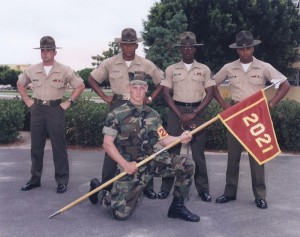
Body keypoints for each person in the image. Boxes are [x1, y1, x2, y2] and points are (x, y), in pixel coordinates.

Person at [88, 72, 200, 222]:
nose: (138, 91)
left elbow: (165, 139)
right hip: (132, 167)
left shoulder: (153, 114)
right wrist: (125, 164)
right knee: (120, 214)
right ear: (129, 88)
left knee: (187, 165)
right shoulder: (116, 114)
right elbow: (107, 144)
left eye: (142, 87)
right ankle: (99, 192)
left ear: (146, 88)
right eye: (135, 87)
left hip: (154, 161)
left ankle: (177, 207)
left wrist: (181, 138)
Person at [213, 30, 290, 209]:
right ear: (237, 50)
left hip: (256, 115)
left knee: (258, 156)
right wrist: (225, 105)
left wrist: (271, 104)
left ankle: (260, 195)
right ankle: (229, 192)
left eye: (248, 48)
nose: (244, 52)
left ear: (253, 48)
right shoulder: (228, 67)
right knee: (232, 157)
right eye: (241, 49)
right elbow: (212, 84)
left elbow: (285, 85)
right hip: (236, 115)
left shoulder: (264, 67)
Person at [88, 28, 164, 199]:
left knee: (144, 144)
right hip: (118, 105)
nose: (128, 47)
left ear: (136, 45)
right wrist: (104, 96)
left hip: (139, 105)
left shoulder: (146, 64)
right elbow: (92, 79)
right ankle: (106, 184)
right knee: (112, 143)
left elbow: (162, 81)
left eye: (132, 44)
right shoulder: (110, 62)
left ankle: (147, 186)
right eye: (125, 44)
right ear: (121, 44)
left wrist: (150, 98)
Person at [151, 31, 215, 201]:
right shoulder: (172, 69)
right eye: (184, 47)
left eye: (190, 47)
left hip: (197, 111)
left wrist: (195, 112)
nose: (187, 50)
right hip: (176, 110)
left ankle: (203, 189)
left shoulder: (204, 69)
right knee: (171, 149)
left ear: (195, 49)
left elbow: (210, 92)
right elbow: (165, 92)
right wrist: (179, 113)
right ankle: (166, 187)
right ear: (181, 49)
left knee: (198, 152)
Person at [17, 36, 85, 193]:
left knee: (59, 146)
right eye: (43, 50)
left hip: (55, 110)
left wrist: (69, 102)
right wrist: (27, 100)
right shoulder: (32, 69)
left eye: (48, 50)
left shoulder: (64, 70)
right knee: (36, 147)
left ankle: (62, 180)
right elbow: (20, 83)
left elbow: (80, 85)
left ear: (55, 52)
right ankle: (34, 179)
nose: (45, 53)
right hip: (37, 109)